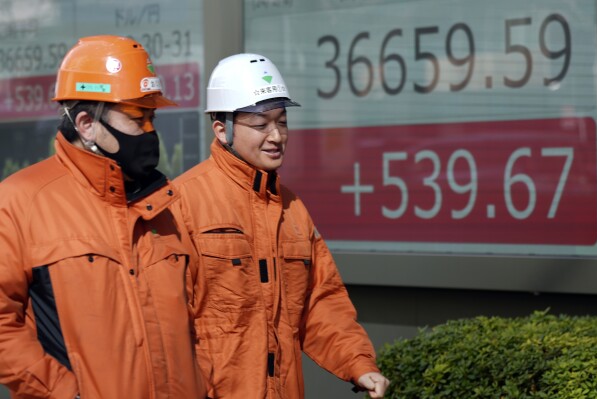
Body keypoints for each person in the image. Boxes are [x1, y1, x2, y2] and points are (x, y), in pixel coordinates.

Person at [0, 35, 206, 398]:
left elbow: (203, 320)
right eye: (136, 117)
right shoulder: (21, 201)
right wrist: (64, 393)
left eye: (152, 117)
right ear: (85, 123)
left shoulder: (163, 205)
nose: (150, 131)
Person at [175, 53, 389, 398]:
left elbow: (320, 300)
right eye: (261, 125)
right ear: (222, 129)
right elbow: (166, 325)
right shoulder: (182, 203)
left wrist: (359, 364)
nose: (276, 135)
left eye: (282, 121)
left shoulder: (292, 209)